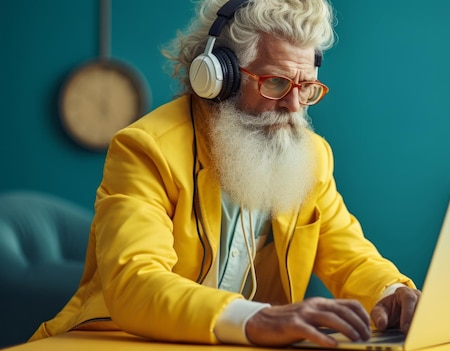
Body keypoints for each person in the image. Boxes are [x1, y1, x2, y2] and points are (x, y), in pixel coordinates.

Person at [30, 0, 420, 347]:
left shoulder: (312, 156)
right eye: (277, 82)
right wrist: (254, 318)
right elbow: (135, 282)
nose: (293, 104)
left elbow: (349, 256)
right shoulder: (146, 148)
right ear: (220, 77)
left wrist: (390, 292)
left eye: (306, 87)